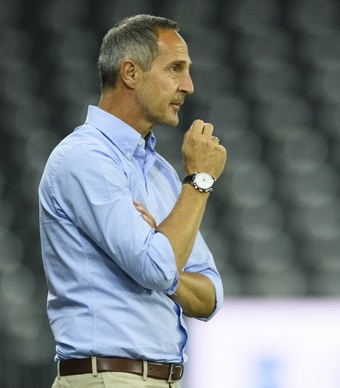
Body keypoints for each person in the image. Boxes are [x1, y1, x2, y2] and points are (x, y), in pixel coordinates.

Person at [38, 14, 227, 387]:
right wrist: (199, 181)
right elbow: (157, 268)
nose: (188, 86)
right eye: (175, 68)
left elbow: (210, 296)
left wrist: (159, 247)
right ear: (130, 73)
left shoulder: (158, 171)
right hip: (108, 377)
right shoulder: (84, 158)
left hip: (164, 379)